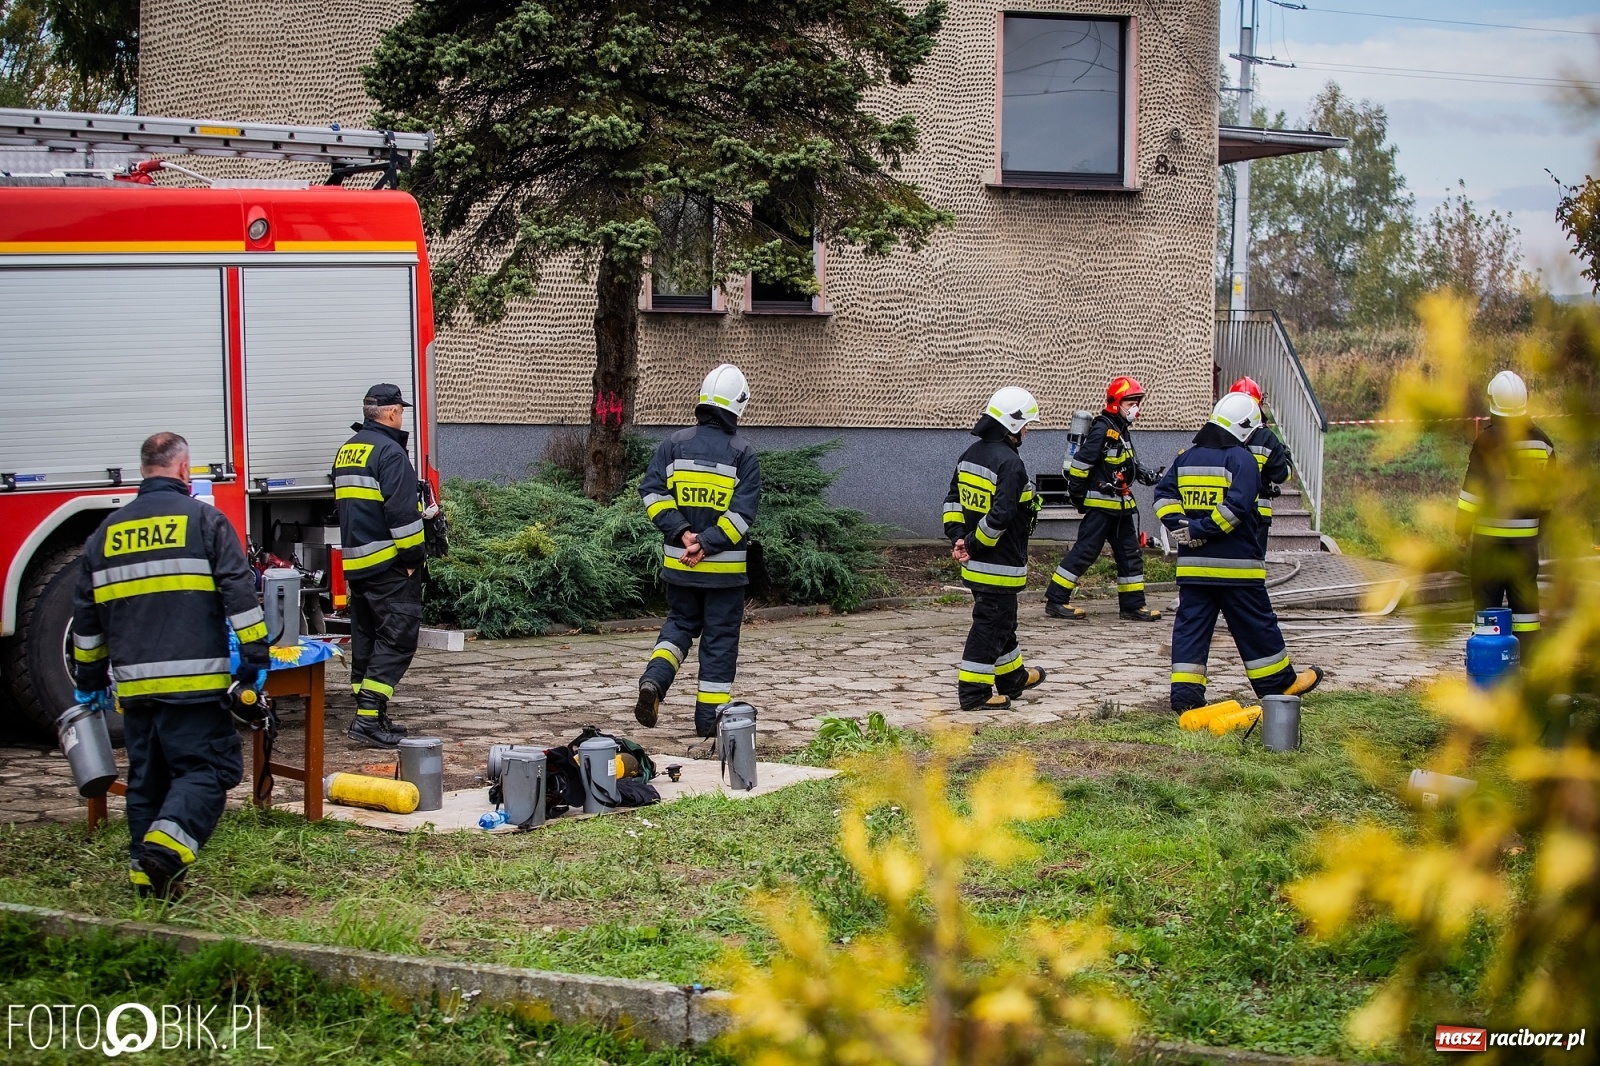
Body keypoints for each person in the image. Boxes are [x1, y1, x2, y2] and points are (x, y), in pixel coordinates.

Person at [71, 432, 268, 900]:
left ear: (143, 470)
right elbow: (240, 596)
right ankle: (166, 848)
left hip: (134, 691)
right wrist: (254, 660)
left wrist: (89, 682)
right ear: (184, 469)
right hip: (195, 687)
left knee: (147, 783)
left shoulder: (105, 535)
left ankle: (151, 885)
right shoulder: (205, 522)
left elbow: (87, 621)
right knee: (209, 770)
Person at [1153, 394, 1323, 713]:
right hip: (1237, 569)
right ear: (1244, 428)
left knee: (1191, 628)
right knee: (1256, 626)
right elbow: (1237, 509)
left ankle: (1186, 698)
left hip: (1193, 568)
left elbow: (1162, 497)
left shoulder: (1185, 458)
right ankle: (1278, 684)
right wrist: (1202, 529)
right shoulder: (1241, 459)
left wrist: (1184, 529)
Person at [635, 364, 762, 737]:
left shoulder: (672, 445)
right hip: (723, 577)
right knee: (719, 646)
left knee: (678, 627)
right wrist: (706, 544)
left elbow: (652, 494)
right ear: (737, 405)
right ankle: (708, 725)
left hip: (680, 567)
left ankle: (654, 682)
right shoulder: (743, 454)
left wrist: (683, 534)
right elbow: (741, 516)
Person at [944, 387, 1050, 711]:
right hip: (998, 565)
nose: (1028, 430)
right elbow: (1001, 515)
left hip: (976, 563)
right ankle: (974, 692)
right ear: (1012, 425)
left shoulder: (969, 455)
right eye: (1025, 424)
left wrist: (958, 538)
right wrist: (973, 545)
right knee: (991, 626)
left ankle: (1012, 677)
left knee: (1004, 622)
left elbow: (952, 502)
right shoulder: (1011, 464)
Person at [333, 383, 427, 747]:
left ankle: (372, 714)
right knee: (399, 638)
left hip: (357, 563)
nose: (402, 415)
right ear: (391, 413)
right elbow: (403, 515)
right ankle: (368, 718)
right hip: (389, 564)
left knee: (367, 638)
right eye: (401, 410)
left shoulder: (348, 450)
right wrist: (412, 560)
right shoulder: (390, 453)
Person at [1044, 376, 1162, 622]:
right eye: (1131, 403)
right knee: (1085, 552)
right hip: (1101, 507)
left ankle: (1132, 606)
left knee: (1130, 555)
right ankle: (1056, 600)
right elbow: (1080, 465)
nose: (1135, 408)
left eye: (1137, 403)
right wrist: (1077, 497)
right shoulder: (1102, 428)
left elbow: (1128, 463)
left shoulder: (1121, 429)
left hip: (1121, 507)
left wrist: (1145, 474)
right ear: (1116, 403)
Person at [1456, 370, 1554, 641]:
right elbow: (1548, 499)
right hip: (1525, 546)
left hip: (1490, 543)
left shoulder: (1487, 441)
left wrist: (1461, 529)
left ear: (1493, 403)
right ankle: (1528, 658)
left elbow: (1471, 495)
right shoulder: (1542, 443)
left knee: (1488, 602)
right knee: (1525, 607)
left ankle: (1489, 662)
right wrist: (1538, 530)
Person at [1228, 376, 1293, 556]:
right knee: (1254, 563)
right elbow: (1282, 475)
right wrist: (1285, 456)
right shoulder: (1266, 438)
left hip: (1226, 510)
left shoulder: (1220, 435)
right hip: (1258, 513)